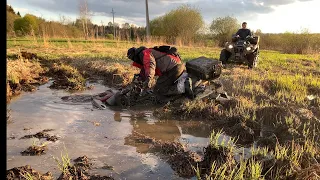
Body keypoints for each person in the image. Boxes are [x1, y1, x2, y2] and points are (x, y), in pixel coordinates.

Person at [126, 46, 194, 99]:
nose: (133, 60)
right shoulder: (146, 53)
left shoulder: (144, 53)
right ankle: (183, 83)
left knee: (159, 89)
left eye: (131, 58)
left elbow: (150, 65)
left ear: (134, 55)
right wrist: (139, 80)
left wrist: (149, 79)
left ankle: (183, 87)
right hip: (175, 66)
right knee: (162, 83)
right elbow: (144, 71)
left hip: (173, 67)